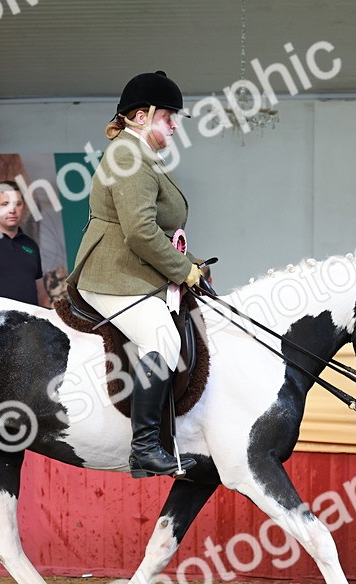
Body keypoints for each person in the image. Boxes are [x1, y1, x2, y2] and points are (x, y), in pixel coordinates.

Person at [66, 70, 204, 478]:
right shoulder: (129, 155)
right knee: (163, 336)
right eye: (168, 116)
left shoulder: (143, 155)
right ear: (140, 116)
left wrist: (192, 265)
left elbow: (161, 231)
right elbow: (141, 231)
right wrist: (181, 269)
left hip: (133, 270)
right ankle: (145, 448)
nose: (175, 125)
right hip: (113, 274)